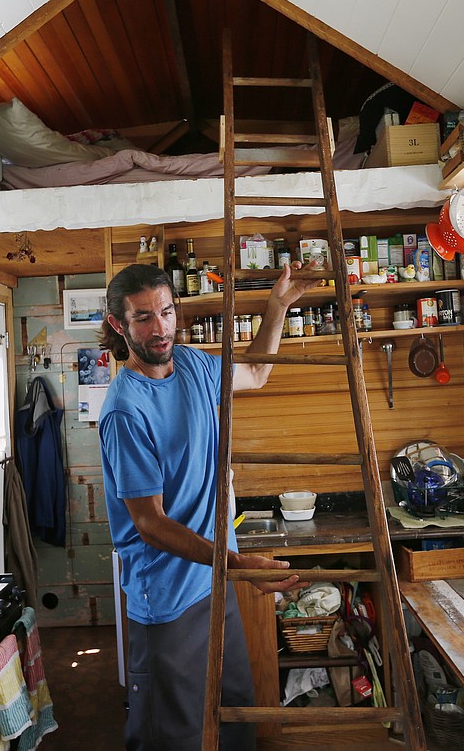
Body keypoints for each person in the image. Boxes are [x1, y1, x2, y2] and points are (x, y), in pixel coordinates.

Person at [98, 261, 319, 750]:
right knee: (176, 736)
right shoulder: (124, 410)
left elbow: (258, 372)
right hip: (169, 599)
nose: (160, 329)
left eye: (167, 312)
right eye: (143, 318)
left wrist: (277, 305)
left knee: (232, 718)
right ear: (119, 324)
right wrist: (237, 562)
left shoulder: (196, 365)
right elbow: (150, 523)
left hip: (214, 586)